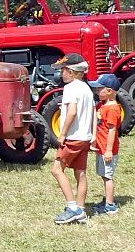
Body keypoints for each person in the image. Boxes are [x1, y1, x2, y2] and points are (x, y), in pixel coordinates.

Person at [51, 53, 95, 224]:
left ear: (71, 71)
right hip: (85, 137)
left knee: (56, 170)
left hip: (73, 138)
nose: (62, 73)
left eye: (63, 70)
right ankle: (82, 209)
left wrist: (62, 134)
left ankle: (72, 208)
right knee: (80, 173)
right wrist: (92, 136)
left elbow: (72, 112)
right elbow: (92, 115)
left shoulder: (70, 89)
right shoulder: (87, 89)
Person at [88, 73, 122, 215]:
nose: (96, 91)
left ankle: (110, 205)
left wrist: (108, 150)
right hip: (101, 147)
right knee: (103, 175)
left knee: (108, 176)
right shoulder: (102, 105)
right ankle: (107, 200)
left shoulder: (113, 109)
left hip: (107, 150)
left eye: (99, 89)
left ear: (109, 91)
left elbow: (112, 130)